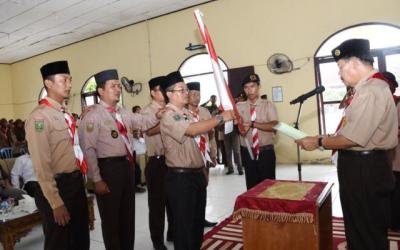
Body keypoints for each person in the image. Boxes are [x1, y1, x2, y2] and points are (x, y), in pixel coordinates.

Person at [296, 39, 397, 250]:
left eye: (341, 67)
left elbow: (353, 138)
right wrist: (325, 136)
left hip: (365, 168)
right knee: (362, 224)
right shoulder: (369, 87)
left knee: (365, 226)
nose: (340, 74)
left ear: (356, 63)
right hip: (364, 166)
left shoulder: (370, 90)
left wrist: (318, 141)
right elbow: (354, 130)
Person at [79, 69, 161, 250]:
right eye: (113, 86)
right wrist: (97, 179)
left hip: (126, 167)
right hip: (107, 169)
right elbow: (89, 149)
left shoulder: (122, 112)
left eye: (118, 86)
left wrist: (159, 114)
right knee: (111, 220)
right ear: (100, 91)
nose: (118, 89)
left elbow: (143, 122)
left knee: (127, 216)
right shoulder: (93, 115)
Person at [160, 71, 234, 250]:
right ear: (169, 94)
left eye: (186, 89)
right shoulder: (169, 115)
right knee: (184, 228)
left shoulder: (187, 112)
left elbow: (204, 134)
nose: (186, 92)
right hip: (180, 178)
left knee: (196, 224)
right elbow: (193, 130)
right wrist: (220, 117)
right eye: (181, 90)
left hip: (197, 173)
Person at [25, 60, 89, 250]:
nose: (69, 84)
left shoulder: (65, 114)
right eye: (64, 80)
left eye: (70, 80)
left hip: (75, 183)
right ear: (48, 83)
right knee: (59, 243)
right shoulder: (40, 117)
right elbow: (41, 165)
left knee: (80, 240)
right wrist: (55, 202)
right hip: (57, 187)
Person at [141, 76, 172, 250]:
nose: (165, 93)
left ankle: (173, 232)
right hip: (157, 161)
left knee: (173, 201)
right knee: (157, 205)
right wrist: (167, 121)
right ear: (153, 93)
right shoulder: (147, 111)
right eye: (161, 89)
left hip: (172, 160)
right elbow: (149, 131)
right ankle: (157, 241)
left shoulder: (169, 108)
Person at [237, 73, 279, 190]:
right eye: (246, 87)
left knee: (268, 188)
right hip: (248, 152)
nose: (250, 90)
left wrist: (252, 124)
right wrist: (241, 129)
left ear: (259, 86)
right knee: (251, 188)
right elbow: (238, 129)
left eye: (252, 86)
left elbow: (274, 125)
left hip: (265, 152)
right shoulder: (239, 107)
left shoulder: (268, 105)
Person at [187, 82, 218, 228]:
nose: (196, 97)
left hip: (204, 155)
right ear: (186, 95)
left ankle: (201, 217)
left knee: (203, 187)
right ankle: (191, 219)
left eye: (198, 94)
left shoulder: (205, 112)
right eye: (193, 94)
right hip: (191, 157)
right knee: (190, 192)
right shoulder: (182, 114)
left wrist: (213, 153)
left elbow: (211, 134)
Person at [382, 71, 400, 231]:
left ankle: (395, 222)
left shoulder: (398, 102)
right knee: (389, 189)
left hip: (397, 156)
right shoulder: (381, 103)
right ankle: (389, 220)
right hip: (385, 157)